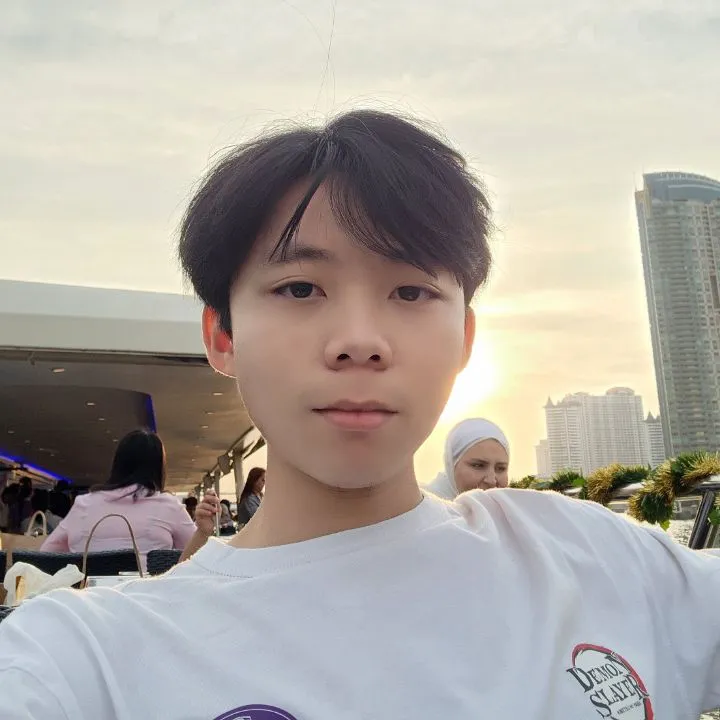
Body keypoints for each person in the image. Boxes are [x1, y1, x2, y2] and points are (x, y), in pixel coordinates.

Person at [2, 110, 720, 719]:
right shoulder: (86, 662)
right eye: (300, 288)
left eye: (410, 292)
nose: (359, 341)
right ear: (222, 336)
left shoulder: (588, 555)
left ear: (465, 339)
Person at [37, 429, 196, 569]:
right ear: (158, 467)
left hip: (87, 592)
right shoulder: (168, 506)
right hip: (146, 592)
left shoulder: (83, 504)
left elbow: (46, 555)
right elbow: (199, 556)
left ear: (118, 463)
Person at [425, 418, 509, 499]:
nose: (492, 481)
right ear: (451, 466)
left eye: (501, 468)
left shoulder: (505, 507)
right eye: (478, 465)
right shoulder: (424, 506)